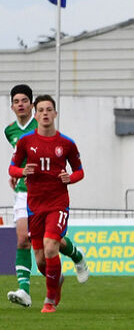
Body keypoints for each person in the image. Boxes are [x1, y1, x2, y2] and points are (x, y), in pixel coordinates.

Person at [5, 84, 88, 308]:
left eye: (25, 101)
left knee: (48, 244)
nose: (21, 104)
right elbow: (15, 162)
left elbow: (79, 169)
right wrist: (17, 173)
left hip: (55, 199)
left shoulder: (49, 132)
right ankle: (33, 286)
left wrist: (70, 177)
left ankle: (47, 297)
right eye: (16, 101)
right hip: (28, 195)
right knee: (36, 249)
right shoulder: (12, 132)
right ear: (11, 106)